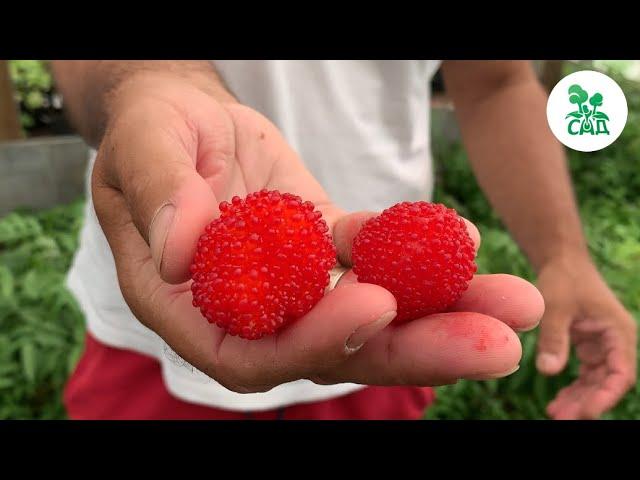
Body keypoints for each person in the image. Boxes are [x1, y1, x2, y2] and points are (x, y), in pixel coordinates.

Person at [50, 60, 636, 420]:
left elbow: (496, 81)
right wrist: (149, 80)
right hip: (151, 325)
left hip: (379, 336)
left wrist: (563, 255)